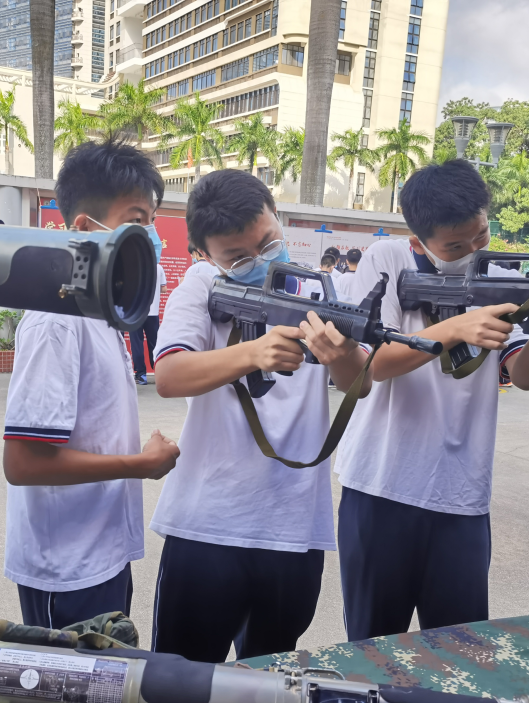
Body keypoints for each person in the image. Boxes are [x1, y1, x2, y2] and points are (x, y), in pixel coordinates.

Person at [334, 160, 529, 641]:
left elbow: (527, 375)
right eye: (456, 246)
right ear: (418, 243)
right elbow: (370, 364)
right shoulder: (386, 260)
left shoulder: (504, 271)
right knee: (372, 649)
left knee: (463, 650)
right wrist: (452, 328)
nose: (474, 251)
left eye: (481, 236)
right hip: (379, 486)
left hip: (462, 495)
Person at [149, 170, 373, 663]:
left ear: (279, 219)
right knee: (178, 686)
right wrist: (254, 353)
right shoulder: (200, 287)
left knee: (270, 688)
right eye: (238, 257)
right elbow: (169, 375)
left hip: (293, 529)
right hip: (207, 527)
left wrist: (340, 354)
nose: (260, 260)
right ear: (206, 256)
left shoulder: (325, 288)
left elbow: (361, 382)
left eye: (269, 243)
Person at [2, 139, 179, 630]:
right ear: (84, 228)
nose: (151, 236)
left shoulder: (104, 311)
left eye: (152, 222)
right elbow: (23, 462)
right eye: (137, 219)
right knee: (74, 700)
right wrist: (139, 464)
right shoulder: (56, 321)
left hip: (99, 553)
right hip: (66, 568)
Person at [130, 240, 168, 385]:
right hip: (153, 312)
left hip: (135, 312)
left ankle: (141, 375)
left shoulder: (133, 266)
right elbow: (164, 289)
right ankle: (158, 372)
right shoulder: (159, 268)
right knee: (154, 343)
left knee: (137, 344)